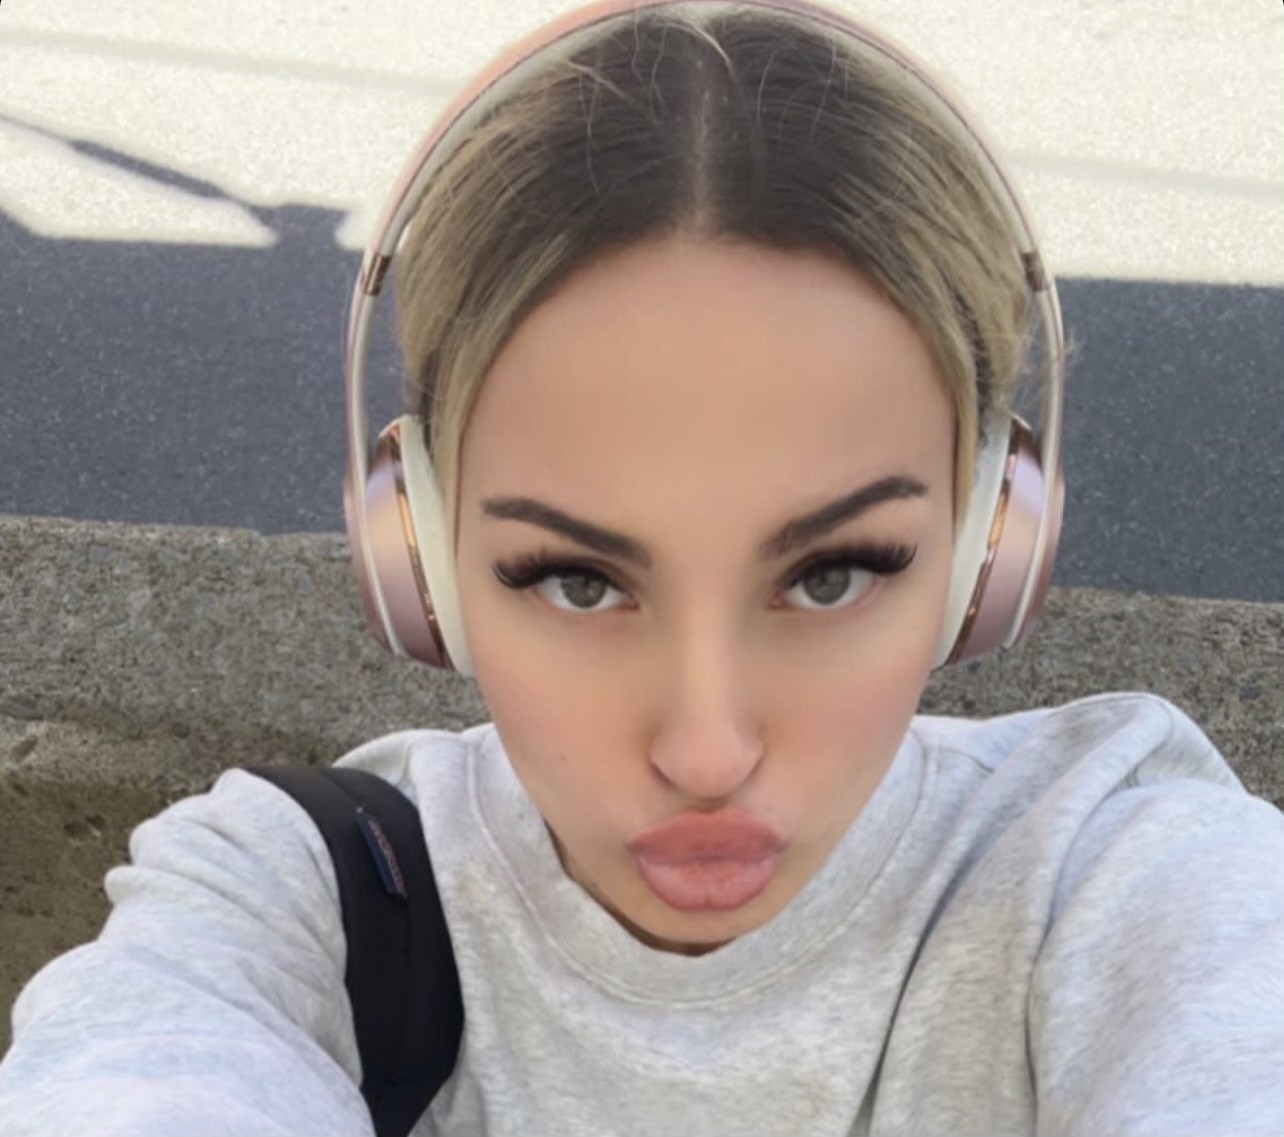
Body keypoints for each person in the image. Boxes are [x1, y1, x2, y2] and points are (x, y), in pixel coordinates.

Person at [3, 0, 1283, 1134]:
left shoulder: (1119, 867)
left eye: (833, 574)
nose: (707, 752)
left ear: (990, 550)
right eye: (577, 580)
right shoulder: (303, 896)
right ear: (420, 559)